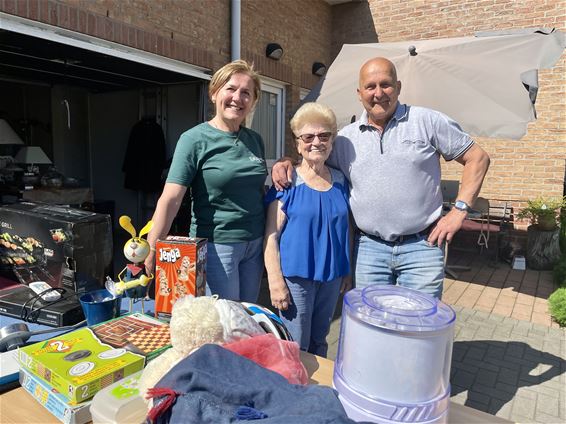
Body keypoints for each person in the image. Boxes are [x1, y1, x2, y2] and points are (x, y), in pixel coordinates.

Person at [272, 57, 490, 299]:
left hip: (422, 247)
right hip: (369, 250)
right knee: (372, 325)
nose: (378, 93)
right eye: (370, 87)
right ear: (359, 93)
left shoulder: (426, 122)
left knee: (416, 327)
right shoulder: (346, 139)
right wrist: (286, 162)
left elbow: (477, 158)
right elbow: (313, 159)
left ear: (398, 87)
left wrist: (459, 211)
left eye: (385, 85)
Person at [145, 60, 267, 302]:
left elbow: (258, 190)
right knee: (222, 322)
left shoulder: (255, 139)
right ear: (214, 93)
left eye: (246, 93)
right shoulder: (194, 139)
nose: (237, 97)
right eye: (230, 89)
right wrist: (152, 247)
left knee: (246, 317)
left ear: (253, 102)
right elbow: (170, 199)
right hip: (217, 246)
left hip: (254, 243)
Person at [264, 102, 351, 357]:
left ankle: (315, 394)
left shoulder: (341, 181)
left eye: (324, 135)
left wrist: (346, 270)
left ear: (332, 140)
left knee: (320, 340)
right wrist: (275, 281)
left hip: (332, 277)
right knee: (294, 344)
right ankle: (292, 393)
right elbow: (271, 236)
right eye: (308, 136)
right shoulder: (287, 183)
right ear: (298, 142)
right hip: (295, 280)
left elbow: (347, 229)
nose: (317, 142)